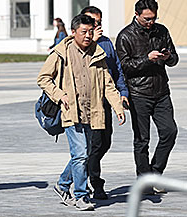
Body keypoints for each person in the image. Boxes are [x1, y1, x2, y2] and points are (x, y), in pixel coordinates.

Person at [37, 14, 125, 211]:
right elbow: (43, 78)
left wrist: (118, 107)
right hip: (70, 112)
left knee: (82, 154)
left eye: (90, 32)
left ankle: (62, 184)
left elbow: (108, 85)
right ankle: (81, 196)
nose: (87, 35)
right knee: (81, 155)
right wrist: (59, 95)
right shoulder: (62, 53)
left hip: (92, 113)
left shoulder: (98, 53)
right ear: (74, 32)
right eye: (84, 32)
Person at [116, 0, 178, 190]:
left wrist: (168, 57)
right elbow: (124, 67)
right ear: (137, 15)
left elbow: (174, 59)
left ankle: (155, 174)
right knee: (142, 140)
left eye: (153, 18)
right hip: (138, 93)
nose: (151, 22)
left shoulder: (162, 31)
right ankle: (144, 180)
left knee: (170, 131)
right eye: (147, 19)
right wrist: (147, 59)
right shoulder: (125, 36)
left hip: (161, 92)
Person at [81, 6, 129, 200]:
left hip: (105, 100)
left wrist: (123, 93)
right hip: (86, 103)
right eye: (92, 22)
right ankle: (95, 183)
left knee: (105, 142)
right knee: (94, 143)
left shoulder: (107, 43)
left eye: (99, 22)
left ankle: (82, 170)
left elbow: (116, 69)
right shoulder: (77, 45)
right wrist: (91, 42)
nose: (96, 25)